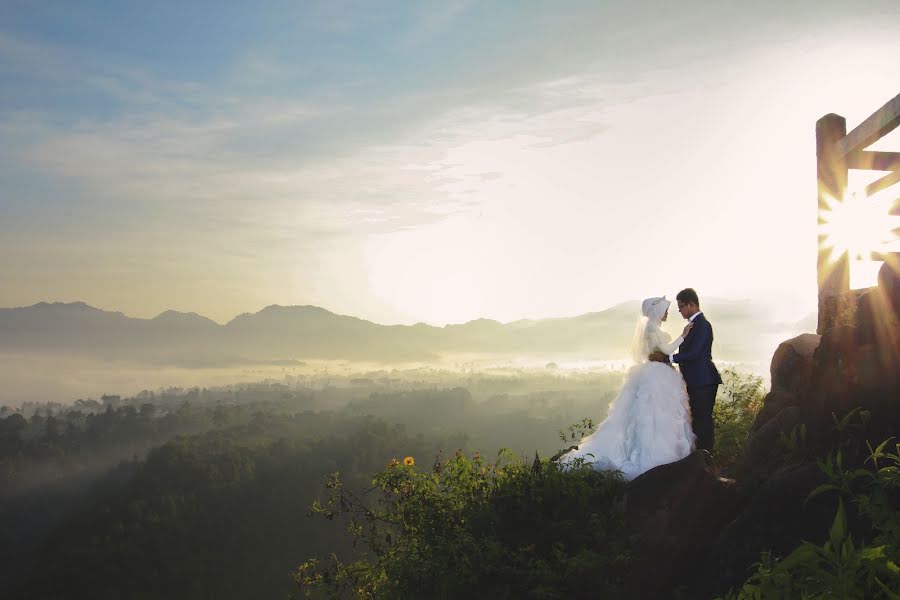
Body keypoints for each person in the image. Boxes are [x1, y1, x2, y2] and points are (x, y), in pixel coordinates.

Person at [559, 297, 695, 480]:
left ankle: (663, 454)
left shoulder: (652, 328)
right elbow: (667, 349)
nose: (667, 313)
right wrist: (683, 335)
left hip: (657, 373)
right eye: (665, 310)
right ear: (657, 311)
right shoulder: (652, 329)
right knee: (654, 416)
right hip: (657, 376)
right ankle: (654, 457)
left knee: (658, 416)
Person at [671, 288, 722, 452]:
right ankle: (702, 458)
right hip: (696, 381)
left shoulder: (702, 325)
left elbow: (695, 353)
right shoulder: (694, 325)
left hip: (704, 380)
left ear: (691, 304)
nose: (679, 311)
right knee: (699, 420)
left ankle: (706, 458)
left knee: (703, 421)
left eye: (681, 307)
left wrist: (669, 358)